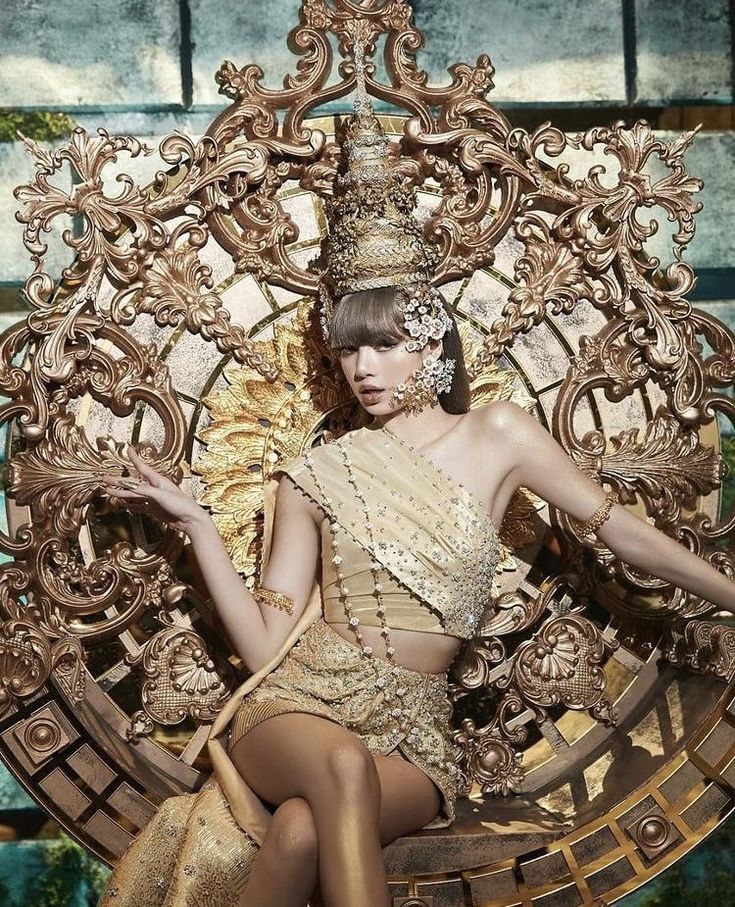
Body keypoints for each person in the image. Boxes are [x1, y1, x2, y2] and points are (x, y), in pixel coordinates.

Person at [95, 49, 735, 907]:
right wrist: (200, 525)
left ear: (431, 345)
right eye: (348, 346)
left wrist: (728, 593)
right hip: (294, 709)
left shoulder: (499, 433)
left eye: (384, 343)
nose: (363, 366)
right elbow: (262, 644)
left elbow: (616, 526)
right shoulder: (316, 471)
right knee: (339, 768)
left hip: (415, 734)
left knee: (298, 832)